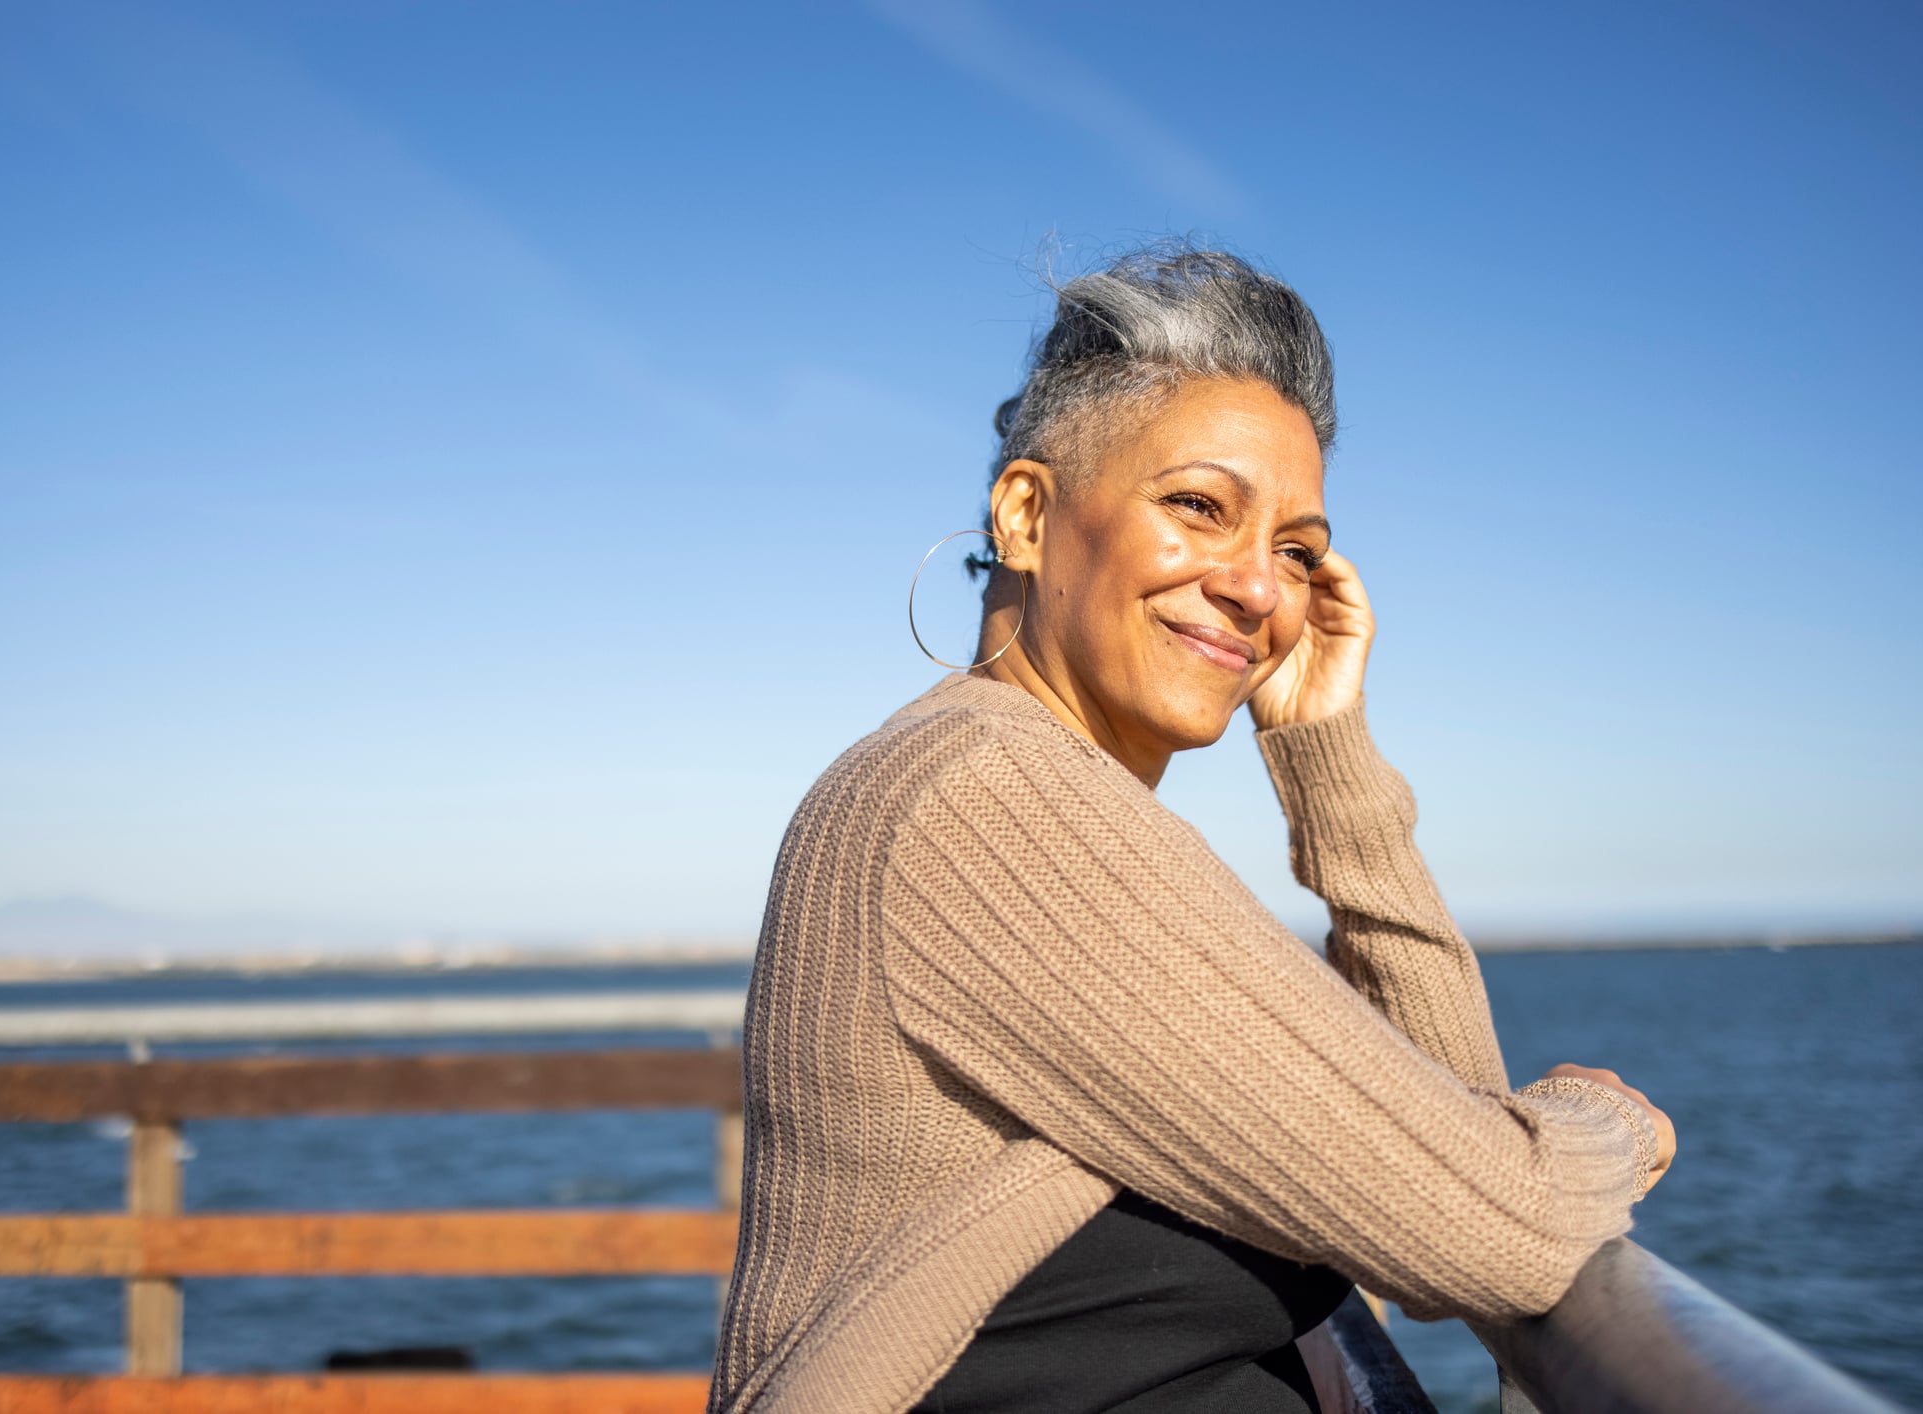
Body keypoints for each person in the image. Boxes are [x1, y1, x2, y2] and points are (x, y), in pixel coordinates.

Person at [709, 245, 1676, 1414]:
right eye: (1199, 507)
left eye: (1295, 549)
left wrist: (1327, 757)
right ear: (1025, 513)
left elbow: (1448, 1130)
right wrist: (1608, 1122)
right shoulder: (984, 797)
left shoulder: (1004, 781)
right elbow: (1497, 1227)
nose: (1260, 589)